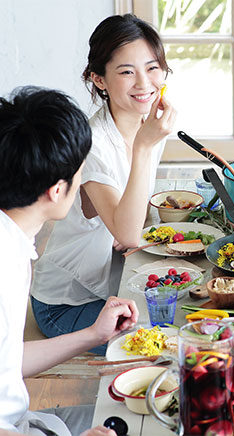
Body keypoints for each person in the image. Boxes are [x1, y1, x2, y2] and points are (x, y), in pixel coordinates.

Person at [30, 14, 176, 354]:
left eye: (153, 68)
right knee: (163, 345)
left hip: (112, 282)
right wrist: (144, 147)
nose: (144, 83)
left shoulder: (146, 124)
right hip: (67, 303)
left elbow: (133, 220)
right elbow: (129, 234)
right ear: (99, 79)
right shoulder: (93, 144)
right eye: (127, 72)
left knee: (184, 316)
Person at [0, 86, 139, 435]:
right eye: (81, 172)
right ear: (57, 190)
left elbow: (7, 362)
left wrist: (92, 334)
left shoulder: (13, 239)